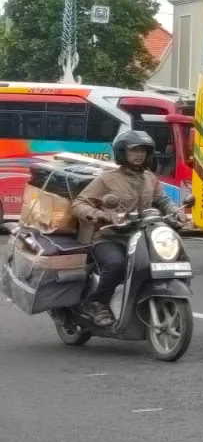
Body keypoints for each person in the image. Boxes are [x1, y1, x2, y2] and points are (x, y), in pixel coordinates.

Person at [69, 130, 185, 328]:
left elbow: (162, 200)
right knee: (116, 264)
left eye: (143, 151)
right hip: (109, 236)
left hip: (142, 235)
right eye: (134, 150)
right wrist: (101, 215)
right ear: (122, 152)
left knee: (171, 259)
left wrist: (175, 211)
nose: (139, 154)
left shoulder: (149, 178)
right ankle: (95, 303)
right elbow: (79, 204)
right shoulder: (107, 179)